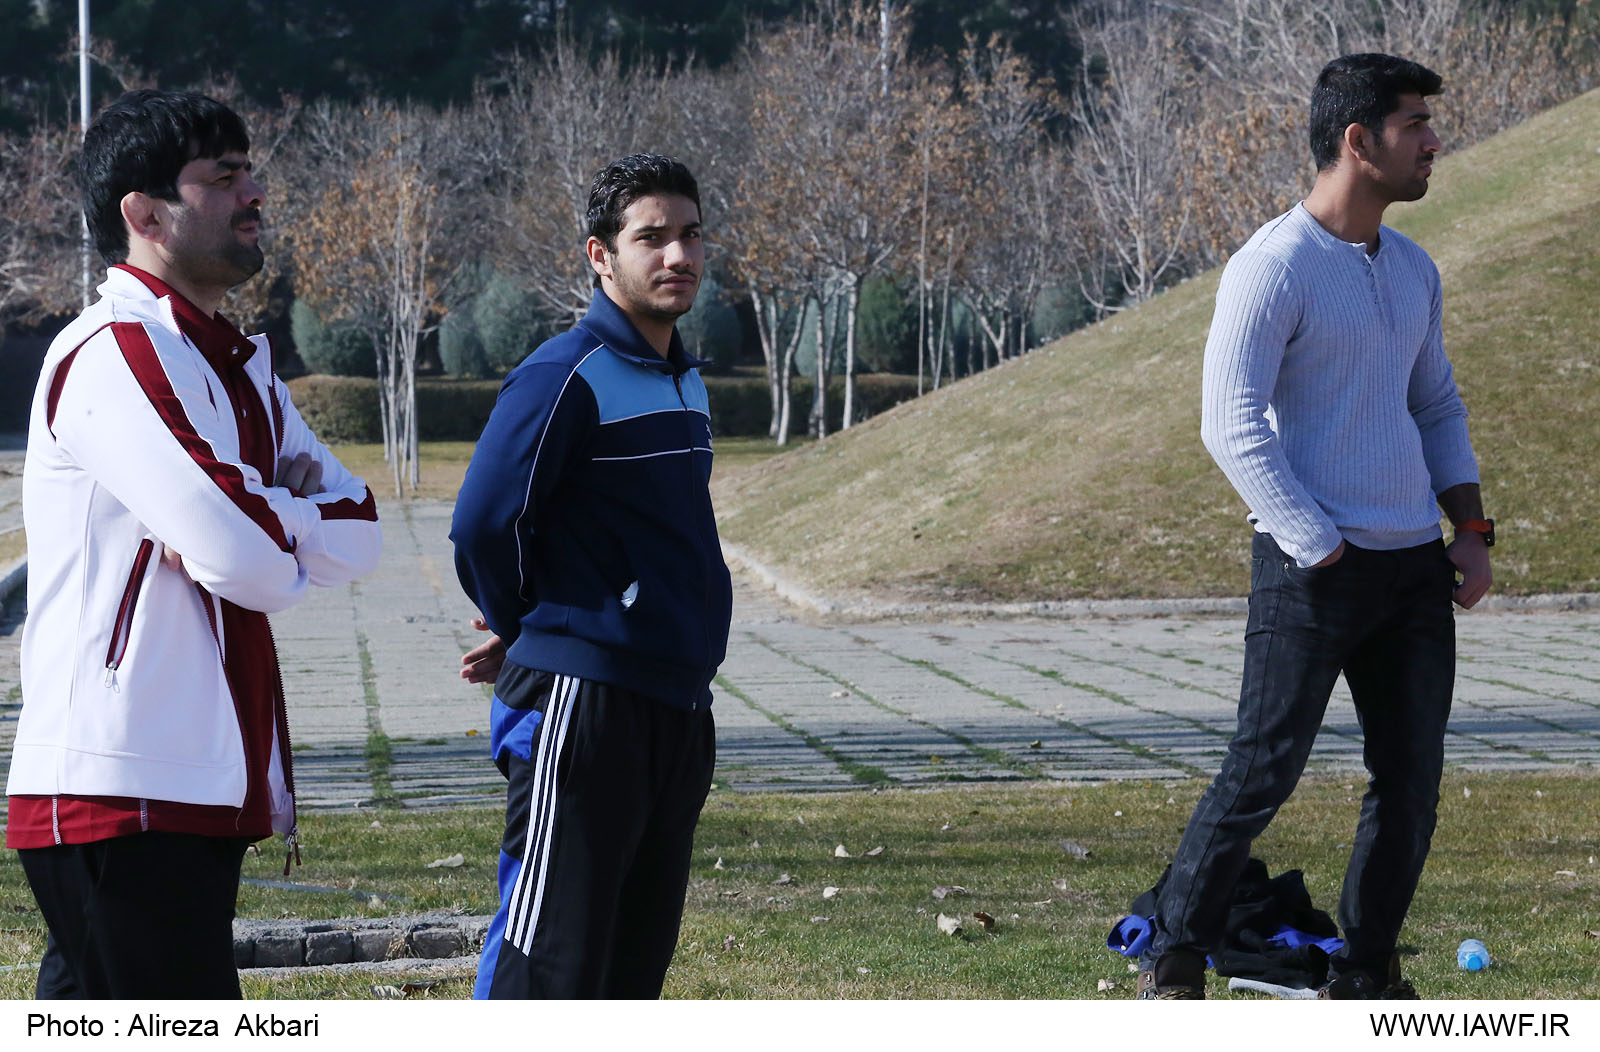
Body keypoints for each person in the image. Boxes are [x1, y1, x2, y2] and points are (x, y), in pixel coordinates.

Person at [5, 89, 382, 998]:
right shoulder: (116, 352)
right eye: (223, 177)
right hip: (120, 787)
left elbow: (362, 528)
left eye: (250, 171)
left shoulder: (237, 365)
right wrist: (275, 539)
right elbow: (247, 559)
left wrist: (265, 528)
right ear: (145, 214)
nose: (255, 193)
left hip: (197, 784)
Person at [1135, 54, 1493, 1000]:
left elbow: (1436, 404)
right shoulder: (1273, 266)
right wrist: (1317, 541)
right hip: (1312, 568)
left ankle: (1366, 973)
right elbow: (1229, 422)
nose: (1433, 141)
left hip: (1414, 569)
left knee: (1410, 783)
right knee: (1262, 769)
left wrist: (1470, 527)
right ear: (1357, 140)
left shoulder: (1412, 268)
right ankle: (1175, 960)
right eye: (1415, 124)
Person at [451, 153, 732, 999]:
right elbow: (483, 525)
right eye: (652, 237)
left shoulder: (686, 380)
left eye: (691, 234)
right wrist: (536, 627)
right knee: (547, 970)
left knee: (631, 972)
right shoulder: (563, 374)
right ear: (601, 255)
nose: (678, 255)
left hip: (678, 706)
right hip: (585, 707)